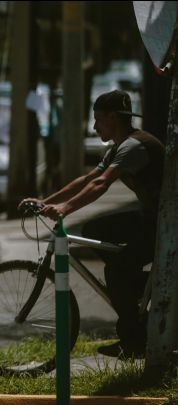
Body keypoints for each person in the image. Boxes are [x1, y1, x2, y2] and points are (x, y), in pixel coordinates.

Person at [20, 89, 164, 359]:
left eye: (98, 119)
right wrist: (45, 202)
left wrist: (66, 208)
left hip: (167, 226)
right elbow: (87, 179)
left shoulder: (134, 146)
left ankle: (134, 341)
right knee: (94, 230)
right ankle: (136, 283)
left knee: (116, 274)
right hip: (154, 217)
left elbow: (101, 183)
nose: (95, 126)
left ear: (112, 118)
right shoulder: (119, 147)